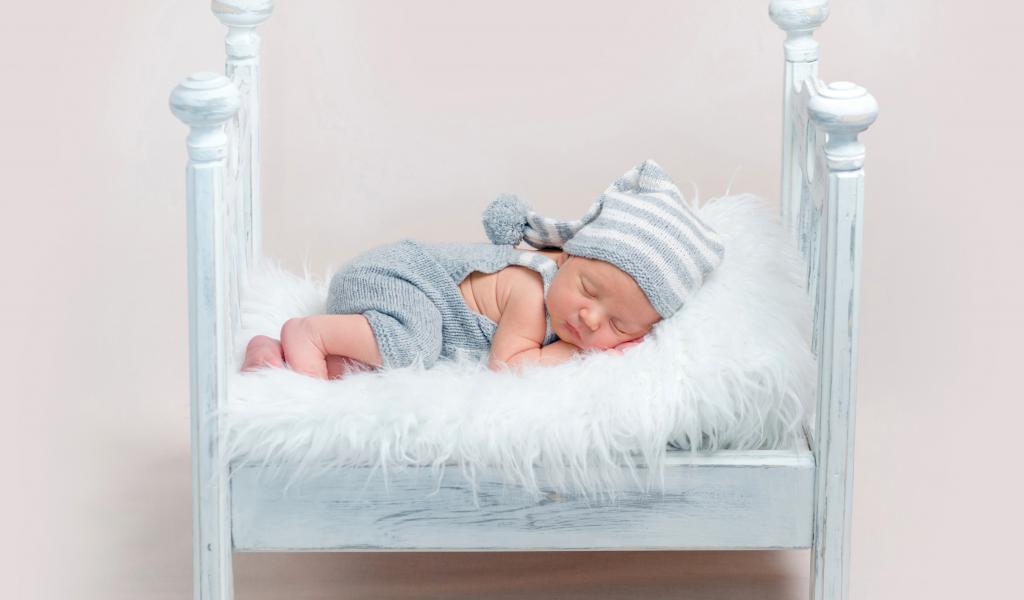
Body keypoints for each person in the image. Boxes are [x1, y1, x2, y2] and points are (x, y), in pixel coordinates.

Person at [242, 159, 725, 379]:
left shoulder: (571, 303)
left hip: (389, 307)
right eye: (588, 289)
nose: (590, 317)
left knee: (371, 370)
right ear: (570, 255)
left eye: (618, 325)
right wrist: (581, 353)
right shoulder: (532, 288)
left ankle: (275, 354)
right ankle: (310, 332)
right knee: (413, 346)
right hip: (396, 280)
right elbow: (509, 366)